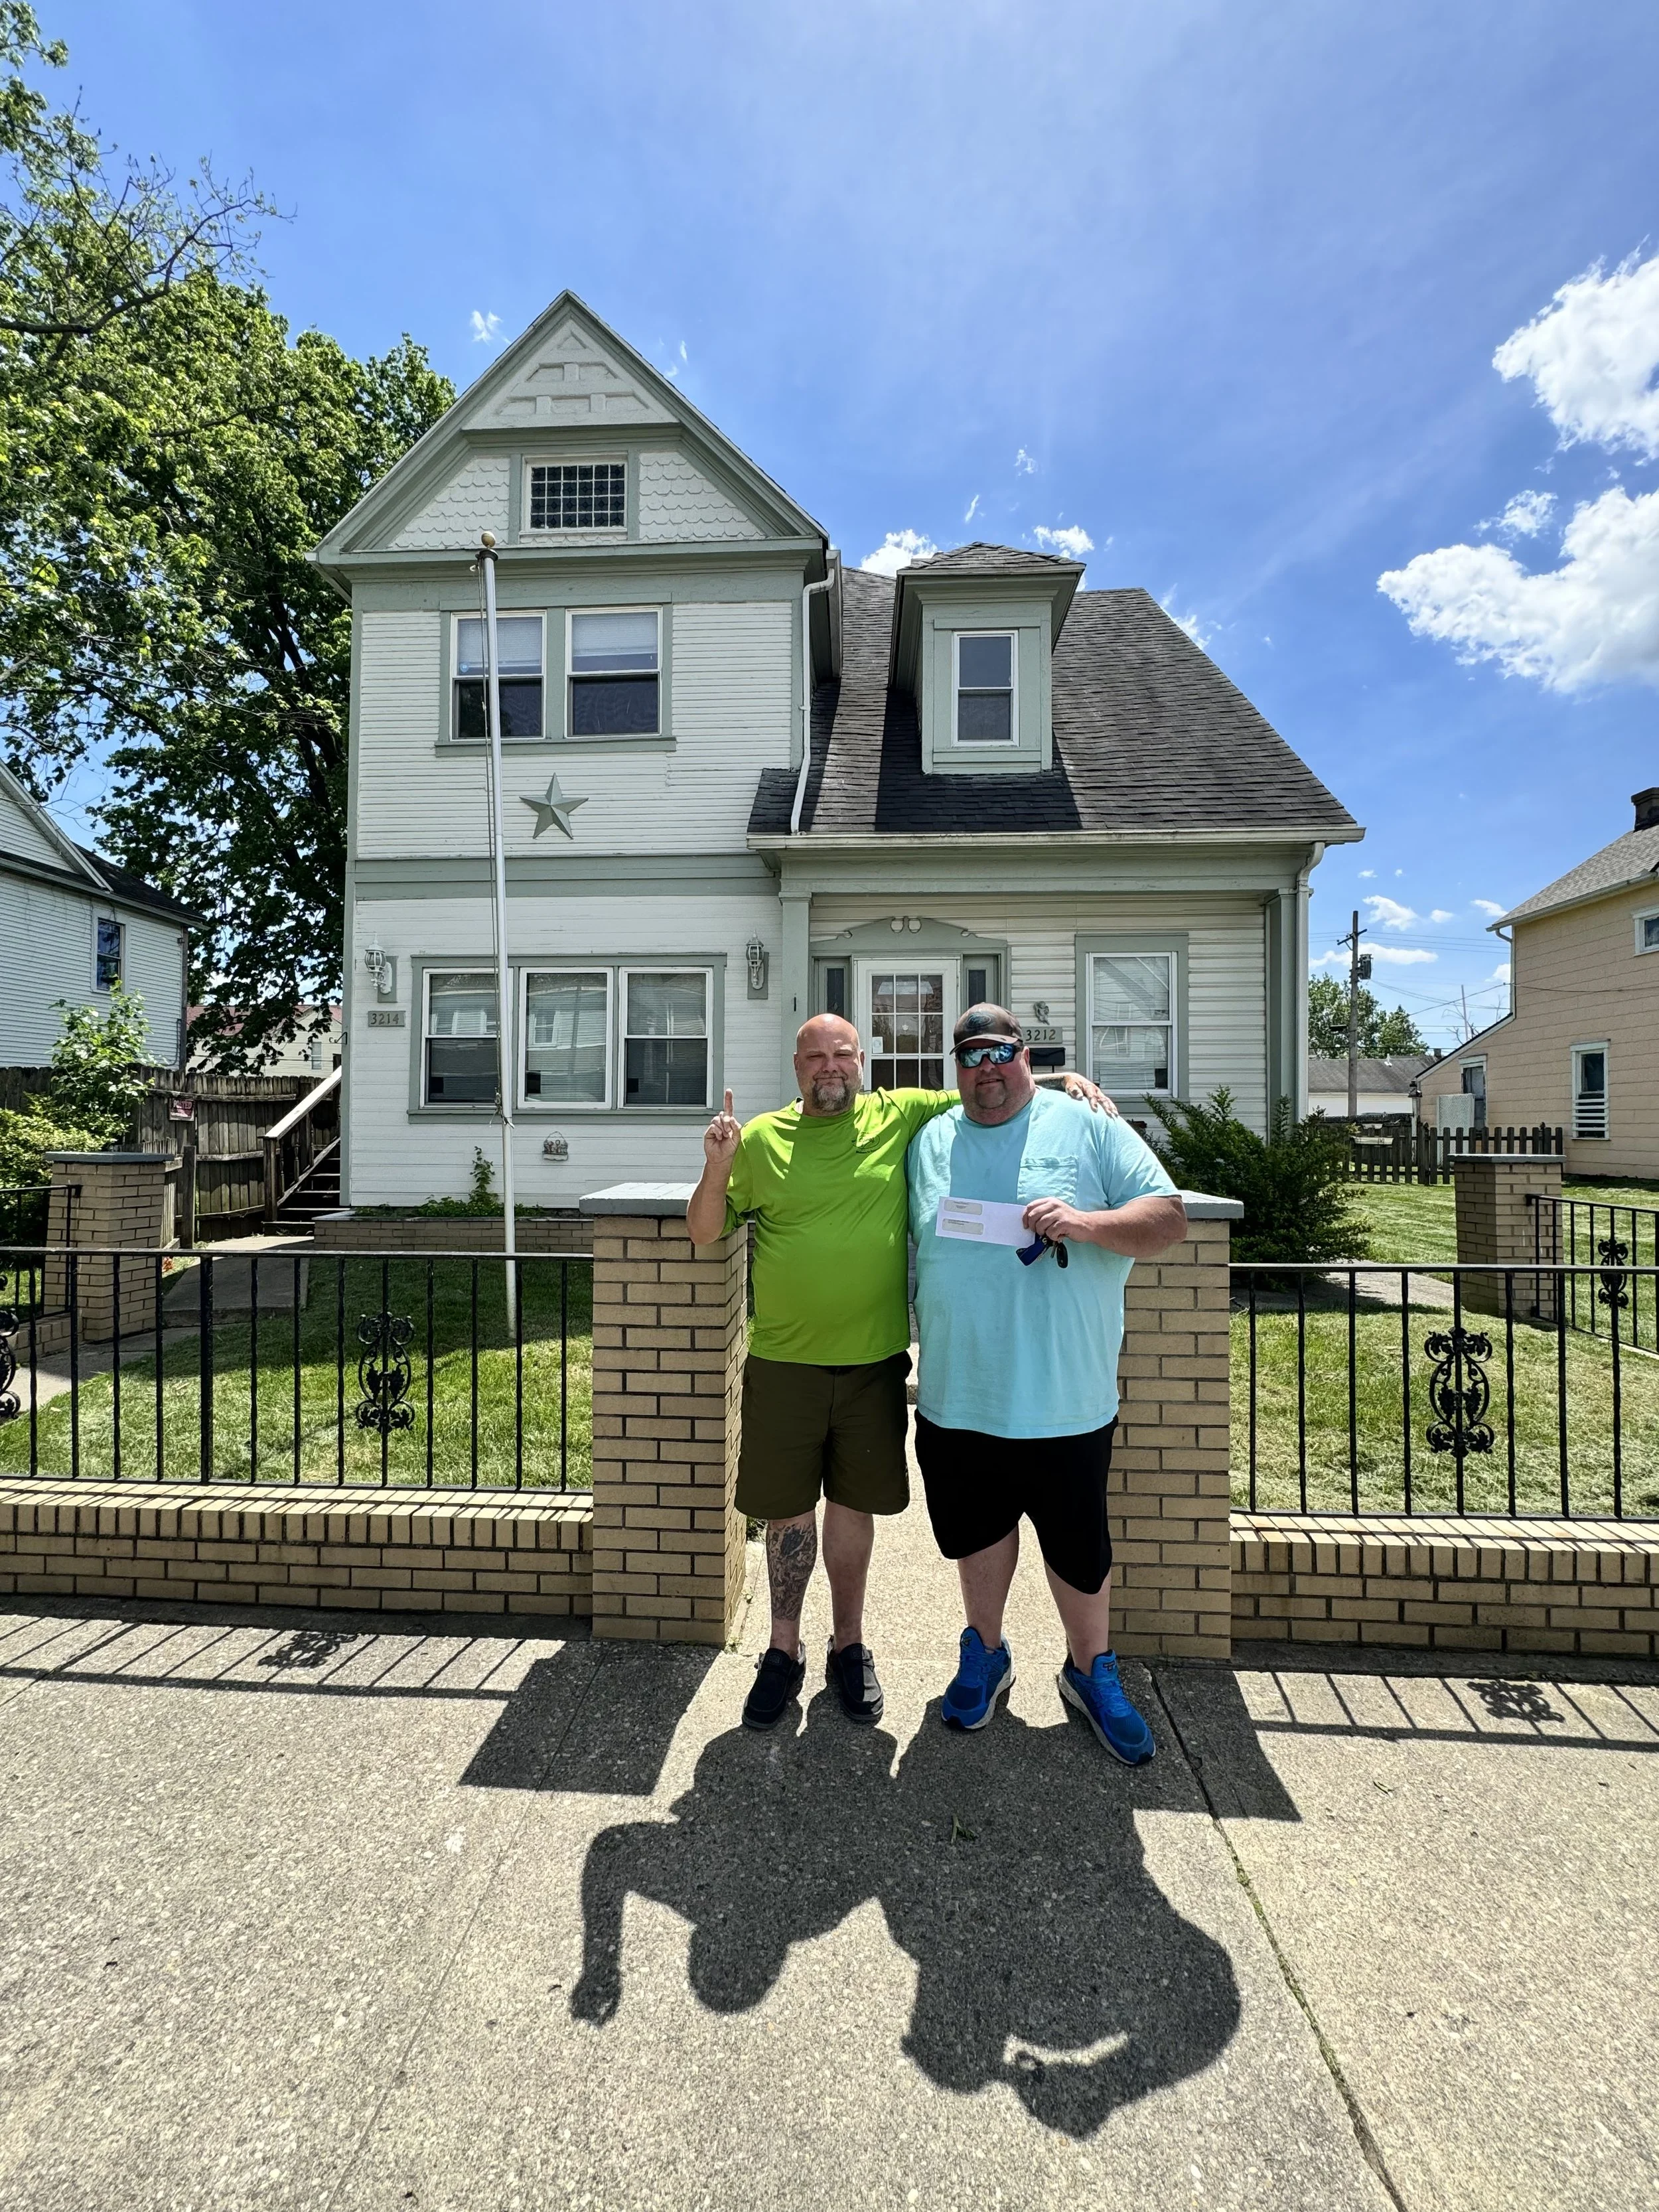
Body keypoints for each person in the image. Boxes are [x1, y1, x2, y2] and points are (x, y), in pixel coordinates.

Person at [687, 1013, 1107, 1733]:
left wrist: (1065, 1085)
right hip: (785, 1362)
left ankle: (848, 1644)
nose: (830, 1067)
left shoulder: (903, 1112)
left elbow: (993, 1093)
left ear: (862, 1061)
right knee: (788, 1515)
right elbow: (703, 1231)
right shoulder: (759, 1139)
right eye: (815, 1056)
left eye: (842, 1054)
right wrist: (718, 1163)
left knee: (853, 1511)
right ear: (796, 1067)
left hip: (874, 1363)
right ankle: (781, 1651)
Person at [906, 1005, 1187, 1765]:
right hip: (960, 1397)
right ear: (954, 1069)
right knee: (978, 1537)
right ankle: (987, 1654)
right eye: (969, 1057)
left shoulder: (1086, 1125)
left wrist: (1086, 1222)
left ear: (1024, 1055)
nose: (985, 1069)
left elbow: (1166, 1219)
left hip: (1065, 1399)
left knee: (1078, 1550)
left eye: (999, 1052)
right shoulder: (929, 1138)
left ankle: (1090, 1670)